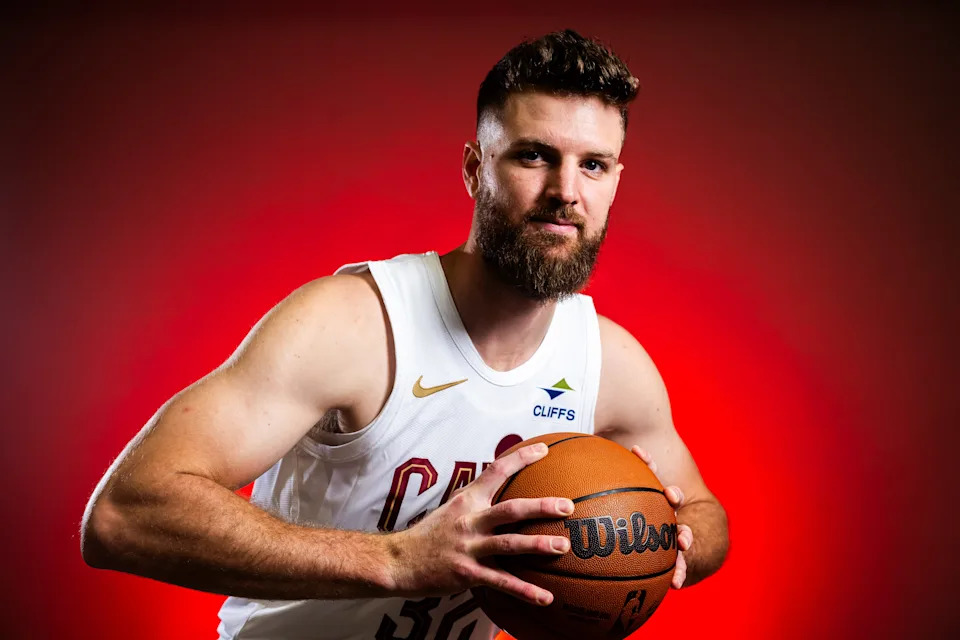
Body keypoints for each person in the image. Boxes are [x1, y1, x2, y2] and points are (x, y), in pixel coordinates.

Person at [81, 29, 729, 639]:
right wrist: (397, 559)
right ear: (475, 169)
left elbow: (706, 515)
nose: (565, 191)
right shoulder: (353, 324)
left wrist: (656, 541)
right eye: (534, 156)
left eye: (593, 165)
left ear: (615, 182)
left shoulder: (608, 363)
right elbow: (124, 513)